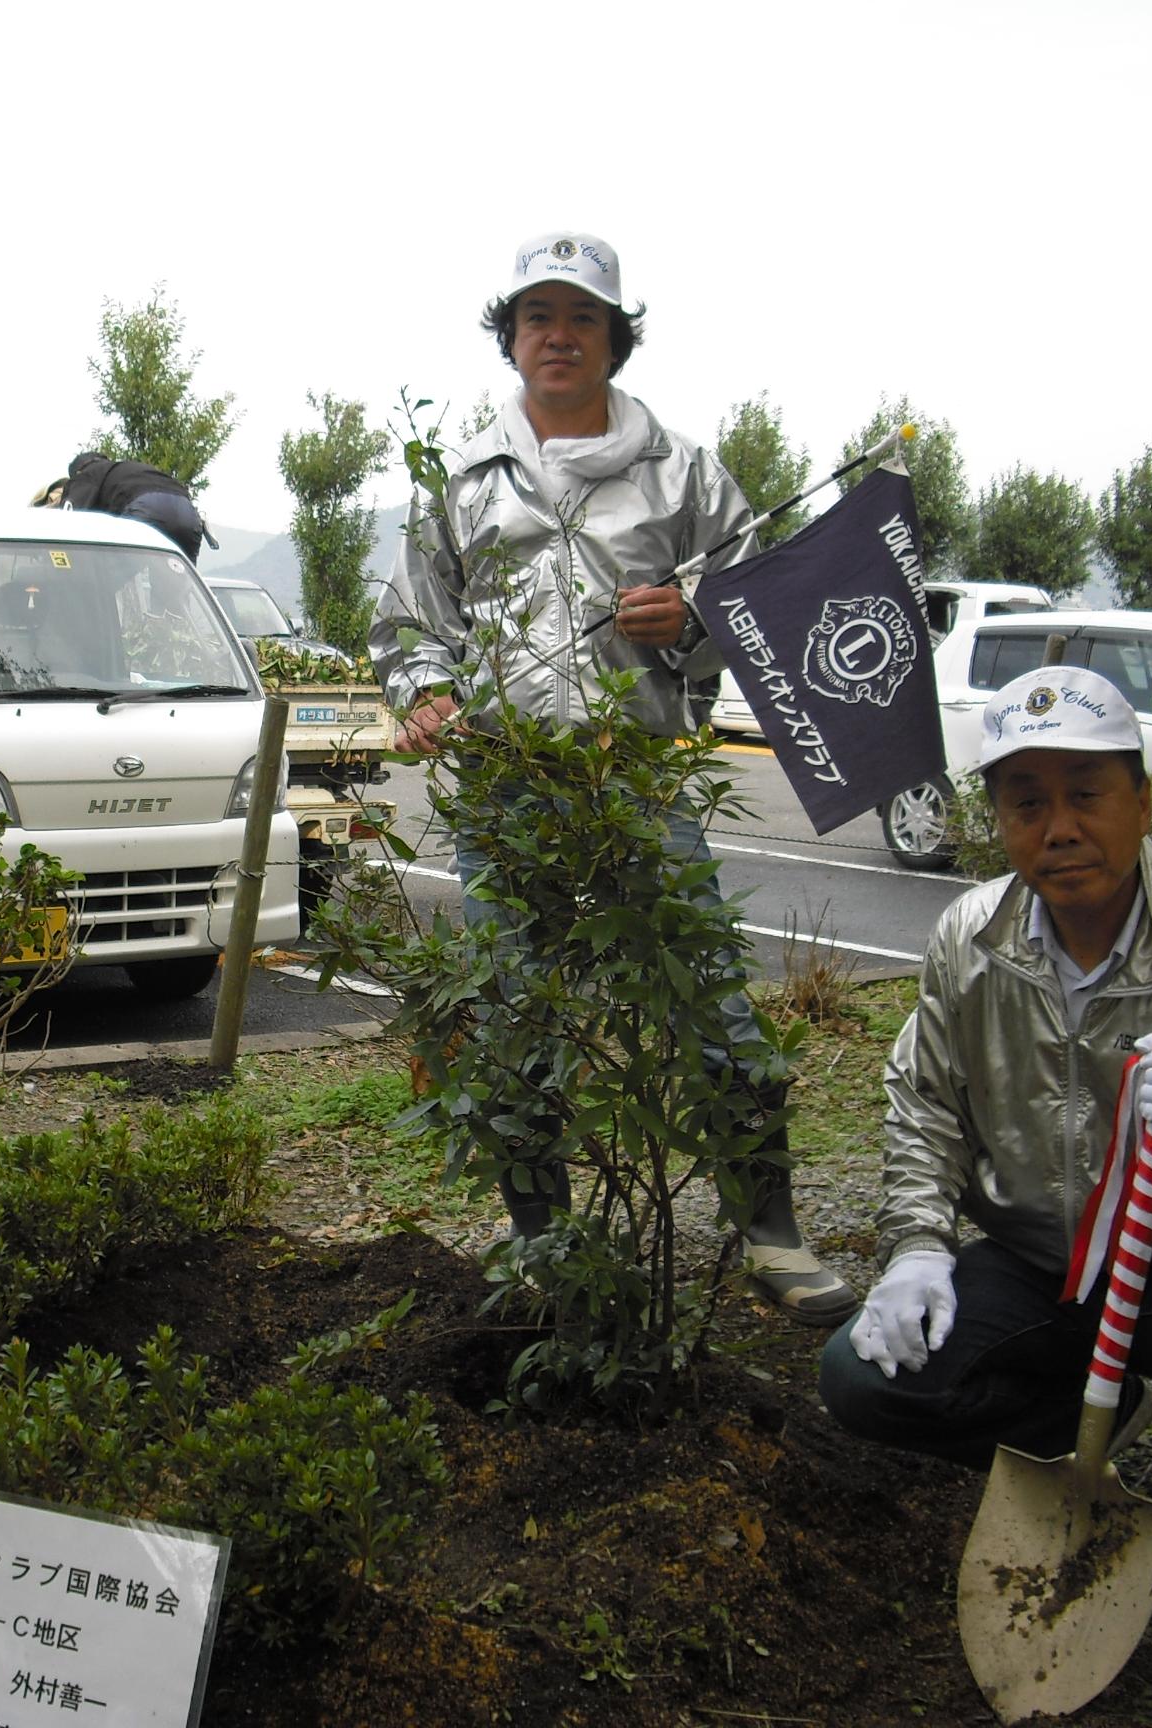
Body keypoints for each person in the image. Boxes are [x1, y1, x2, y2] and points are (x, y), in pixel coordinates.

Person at [817, 666, 1152, 1673]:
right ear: (1000, 822)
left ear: (1143, 802)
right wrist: (917, 1250)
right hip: (1035, 1265)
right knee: (858, 1378)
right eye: (1027, 803)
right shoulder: (968, 939)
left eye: (1085, 794)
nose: (1058, 828)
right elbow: (924, 1102)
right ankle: (1077, 1433)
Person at [369, 229, 853, 1325]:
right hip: (504, 796)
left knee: (715, 1011)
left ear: (615, 340)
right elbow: (409, 624)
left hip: (639, 789)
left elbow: (761, 618)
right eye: (538, 316)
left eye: (582, 317)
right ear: (512, 338)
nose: (558, 336)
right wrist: (427, 694)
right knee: (513, 1020)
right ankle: (541, 1241)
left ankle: (770, 1232)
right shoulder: (459, 478)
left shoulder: (687, 476)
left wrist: (693, 621)